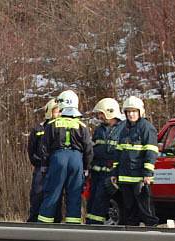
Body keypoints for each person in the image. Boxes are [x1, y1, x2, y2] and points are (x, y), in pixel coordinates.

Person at [37, 90, 93, 224]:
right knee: (74, 195)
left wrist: (44, 166)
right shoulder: (82, 126)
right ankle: (72, 227)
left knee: (52, 193)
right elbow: (88, 149)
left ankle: (43, 227)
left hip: (58, 159)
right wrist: (86, 168)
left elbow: (44, 148)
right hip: (76, 160)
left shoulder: (52, 125)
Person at [111, 96, 159, 226]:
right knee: (129, 212)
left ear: (140, 112)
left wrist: (147, 174)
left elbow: (151, 152)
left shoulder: (147, 128)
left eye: (134, 111)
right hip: (125, 177)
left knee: (146, 211)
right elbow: (118, 153)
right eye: (128, 111)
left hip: (140, 177)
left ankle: (153, 237)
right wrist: (115, 173)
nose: (131, 114)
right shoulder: (123, 129)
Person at [85, 98, 125, 224]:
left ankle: (96, 229)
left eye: (101, 114)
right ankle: (90, 228)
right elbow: (93, 150)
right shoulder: (99, 130)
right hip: (96, 174)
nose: (99, 117)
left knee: (100, 203)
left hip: (110, 174)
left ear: (110, 112)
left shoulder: (123, 129)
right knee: (92, 203)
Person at [27, 98, 61, 222]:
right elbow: (31, 151)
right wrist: (40, 163)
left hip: (55, 168)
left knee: (55, 197)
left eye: (60, 112)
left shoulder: (61, 130)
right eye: (56, 111)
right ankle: (33, 222)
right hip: (40, 169)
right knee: (37, 195)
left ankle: (56, 223)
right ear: (49, 112)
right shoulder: (38, 129)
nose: (59, 114)